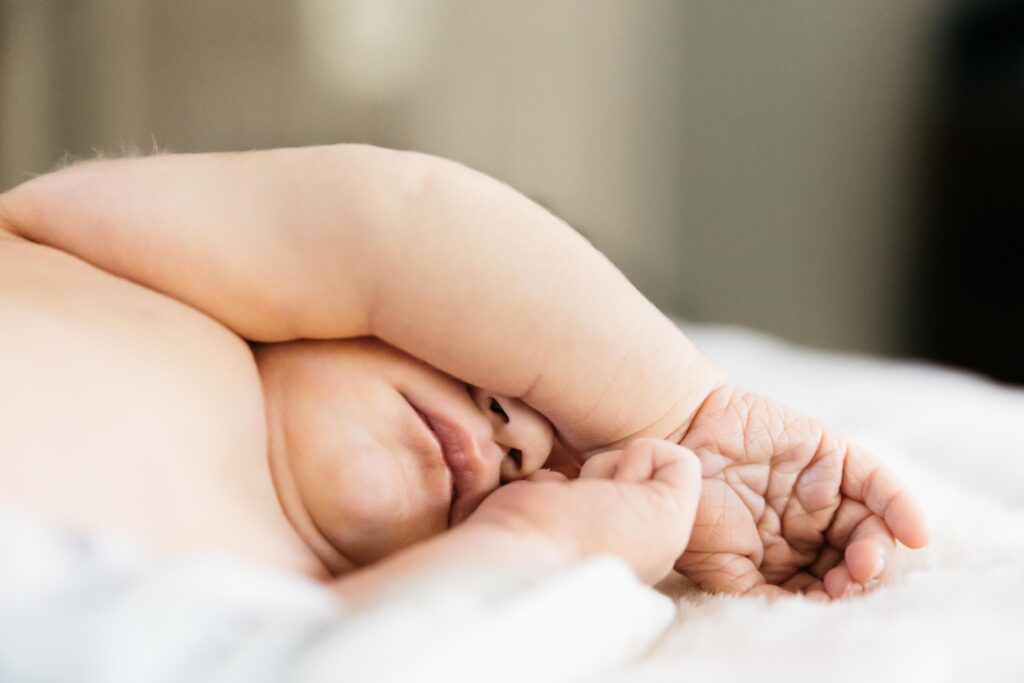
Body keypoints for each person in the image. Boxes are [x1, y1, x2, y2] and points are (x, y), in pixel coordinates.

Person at [0, 145, 928, 602]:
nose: (520, 439)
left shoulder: (312, 608)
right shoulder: (97, 268)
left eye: (569, 473)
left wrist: (540, 551)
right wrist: (682, 413)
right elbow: (392, 227)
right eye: (507, 376)